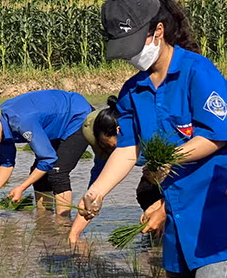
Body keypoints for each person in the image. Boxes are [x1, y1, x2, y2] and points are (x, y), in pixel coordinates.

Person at [80, 0, 227, 278]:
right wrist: (97, 191)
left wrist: (169, 158)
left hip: (221, 217)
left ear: (157, 32)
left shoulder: (198, 73)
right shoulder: (134, 91)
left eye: (133, 45)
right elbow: (127, 148)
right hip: (179, 225)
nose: (130, 56)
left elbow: (219, 135)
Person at [0, 90, 93, 216]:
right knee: (39, 175)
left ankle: (63, 225)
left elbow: (47, 159)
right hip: (54, 125)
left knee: (57, 172)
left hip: (77, 116)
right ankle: (45, 223)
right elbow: (6, 163)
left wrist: (22, 187)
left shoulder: (21, 121)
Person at [68, 96, 163, 245]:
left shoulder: (154, 136)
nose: (111, 153)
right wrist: (74, 236)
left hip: (186, 179)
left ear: (121, 131)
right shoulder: (107, 153)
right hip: (159, 177)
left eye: (111, 146)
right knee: (145, 192)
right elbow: (92, 195)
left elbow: (190, 178)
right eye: (103, 147)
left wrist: (161, 208)